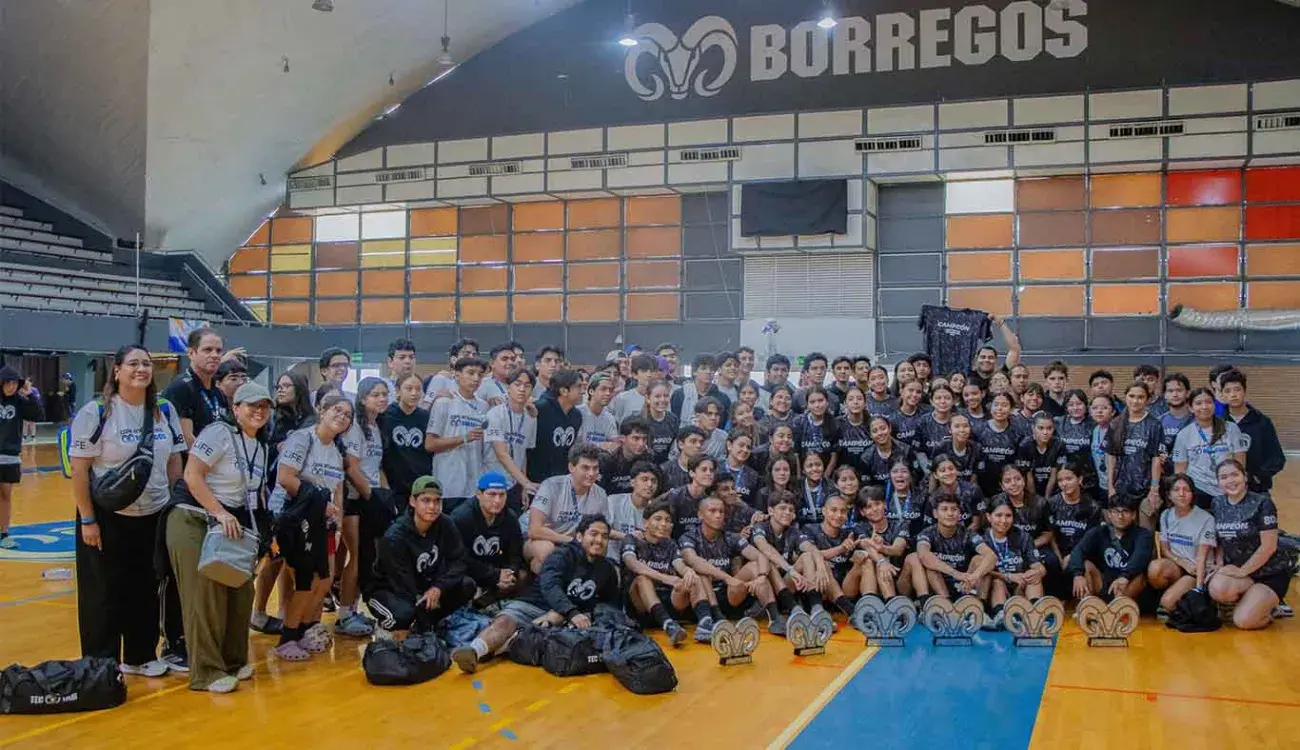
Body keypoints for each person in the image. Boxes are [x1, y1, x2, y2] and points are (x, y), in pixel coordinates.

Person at [70, 345, 186, 677]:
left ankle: (140, 655)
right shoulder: (97, 412)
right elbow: (80, 470)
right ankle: (101, 665)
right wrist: (88, 519)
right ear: (117, 370)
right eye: (133, 363)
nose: (141, 369)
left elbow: (175, 458)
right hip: (106, 515)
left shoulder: (165, 409)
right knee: (103, 591)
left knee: (146, 586)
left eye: (146, 364)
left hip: (153, 514)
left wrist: (174, 502)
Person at [167, 381, 271, 692]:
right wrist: (219, 512)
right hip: (193, 516)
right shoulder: (218, 433)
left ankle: (233, 661)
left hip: (229, 523)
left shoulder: (261, 446)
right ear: (235, 408)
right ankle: (206, 672)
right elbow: (192, 475)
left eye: (264, 406)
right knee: (205, 593)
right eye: (251, 405)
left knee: (241, 588)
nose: (259, 411)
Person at [450, 515, 621, 674]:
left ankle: (508, 643)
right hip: (534, 604)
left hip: (564, 620)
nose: (599, 540)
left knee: (555, 617)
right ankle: (474, 651)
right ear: (579, 536)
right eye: (594, 534)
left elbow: (609, 604)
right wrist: (571, 611)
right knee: (505, 621)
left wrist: (587, 616)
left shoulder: (607, 570)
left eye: (604, 536)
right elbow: (550, 586)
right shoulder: (561, 555)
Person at [266, 392, 350, 661]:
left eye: (348, 414)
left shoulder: (336, 452)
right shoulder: (302, 438)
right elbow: (285, 477)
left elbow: (338, 493)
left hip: (321, 523)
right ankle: (287, 638)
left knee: (324, 580)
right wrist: (321, 503)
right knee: (305, 580)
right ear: (321, 411)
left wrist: (337, 526)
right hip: (293, 518)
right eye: (337, 410)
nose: (342, 417)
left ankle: (306, 629)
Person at [366, 476, 472, 638]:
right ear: (413, 502)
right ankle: (385, 631)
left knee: (467, 585)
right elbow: (402, 582)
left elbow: (459, 561)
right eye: (426, 500)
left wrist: (438, 588)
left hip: (425, 585)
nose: (432, 507)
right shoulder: (395, 537)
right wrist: (423, 605)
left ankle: (430, 623)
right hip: (389, 590)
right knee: (404, 615)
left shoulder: (445, 524)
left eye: (437, 501)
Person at [681, 497, 785, 635]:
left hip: (729, 595)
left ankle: (775, 617)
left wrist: (761, 576)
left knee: (755, 566)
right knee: (701, 572)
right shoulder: (689, 537)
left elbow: (760, 556)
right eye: (712, 511)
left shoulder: (730, 537)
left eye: (721, 511)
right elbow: (693, 560)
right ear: (700, 515)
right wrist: (727, 578)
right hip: (701, 598)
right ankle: (714, 618)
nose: (718, 515)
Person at [1207, 459, 1290, 629]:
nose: (1230, 481)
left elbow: (1269, 547)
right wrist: (1220, 563)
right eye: (1224, 477)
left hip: (1269, 573)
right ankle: (1252, 602)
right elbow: (1220, 540)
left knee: (1244, 621)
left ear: (1244, 477)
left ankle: (1269, 608)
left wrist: (1242, 571)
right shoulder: (1217, 503)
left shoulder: (1262, 502)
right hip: (1240, 573)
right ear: (1218, 482)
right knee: (1217, 588)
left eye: (1235, 475)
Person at [335, 377, 388, 637]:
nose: (382, 399)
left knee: (365, 558)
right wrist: (372, 497)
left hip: (370, 495)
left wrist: (383, 494)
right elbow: (352, 467)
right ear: (363, 398)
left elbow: (375, 466)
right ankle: (344, 615)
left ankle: (352, 609)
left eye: (384, 394)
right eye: (376, 395)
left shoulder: (375, 426)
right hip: (355, 499)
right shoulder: (355, 426)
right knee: (356, 557)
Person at [623, 501, 707, 646]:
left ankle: (706, 624)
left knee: (693, 577)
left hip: (668, 602)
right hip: (640, 606)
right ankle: (669, 625)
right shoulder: (632, 539)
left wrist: (688, 571)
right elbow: (632, 563)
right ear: (646, 522)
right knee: (643, 579)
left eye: (667, 520)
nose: (663, 524)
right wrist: (664, 578)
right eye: (658, 519)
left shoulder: (670, 544)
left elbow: (679, 565)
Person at [524, 443, 608, 574]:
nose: (591, 473)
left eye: (595, 468)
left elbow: (602, 530)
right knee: (547, 550)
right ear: (571, 467)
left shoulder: (601, 494)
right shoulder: (551, 485)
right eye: (585, 468)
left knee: (600, 546)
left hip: (571, 542)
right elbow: (534, 530)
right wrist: (573, 541)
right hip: (538, 538)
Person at [424, 357, 488, 513]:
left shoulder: (484, 406)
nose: (476, 378)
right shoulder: (444, 402)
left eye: (480, 374)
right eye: (470, 373)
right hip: (448, 483)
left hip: (474, 485)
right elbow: (430, 444)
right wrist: (463, 438)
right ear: (457, 375)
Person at [452, 472, 526, 606]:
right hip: (470, 570)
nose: (497, 500)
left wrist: (509, 573)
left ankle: (485, 602)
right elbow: (458, 558)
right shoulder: (462, 517)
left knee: (521, 576)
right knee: (465, 583)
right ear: (479, 494)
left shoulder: (510, 517)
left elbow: (515, 554)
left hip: (495, 569)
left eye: (502, 495)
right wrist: (495, 574)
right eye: (492, 494)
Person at [1147, 474, 1215, 615]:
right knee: (1155, 569)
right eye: (1176, 489)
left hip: (1197, 571)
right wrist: (1184, 564)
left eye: (1186, 490)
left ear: (1192, 494)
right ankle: (1176, 593)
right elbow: (1165, 550)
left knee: (1167, 603)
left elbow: (1202, 557)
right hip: (1179, 566)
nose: (1181, 494)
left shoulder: (1206, 519)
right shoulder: (1166, 515)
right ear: (1169, 495)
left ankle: (1192, 595)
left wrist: (1199, 589)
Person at [1172, 387, 1248, 509]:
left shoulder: (1231, 428)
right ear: (1190, 408)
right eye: (1198, 403)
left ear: (1214, 405)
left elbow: (1240, 461)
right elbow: (1180, 471)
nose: (1204, 407)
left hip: (1229, 487)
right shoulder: (1184, 434)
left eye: (1208, 402)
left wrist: (1239, 485)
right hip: (1199, 489)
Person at [1067, 496, 1153, 602]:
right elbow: (1078, 550)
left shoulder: (1143, 535)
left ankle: (1119, 606)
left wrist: (1125, 576)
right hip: (1103, 582)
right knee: (1085, 564)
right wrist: (1078, 575)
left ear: (1133, 515)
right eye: (1116, 511)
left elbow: (1140, 558)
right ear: (1109, 514)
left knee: (1139, 576)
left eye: (1125, 511)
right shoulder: (1098, 532)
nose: (1120, 516)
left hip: (1129, 583)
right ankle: (1088, 604)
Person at [980, 496, 1046, 629]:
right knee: (997, 582)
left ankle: (1034, 615)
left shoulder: (1023, 536)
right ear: (988, 517)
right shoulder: (981, 539)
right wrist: (1007, 576)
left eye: (1008, 516)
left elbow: (1039, 565)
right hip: (996, 589)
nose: (1003, 521)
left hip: (1020, 586)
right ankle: (1001, 615)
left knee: (1034, 578)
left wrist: (1037, 572)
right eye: (998, 515)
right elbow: (978, 571)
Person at [1106, 382, 1165, 528]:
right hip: (1121, 489)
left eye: (1140, 397)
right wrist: (1110, 487)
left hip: (1145, 489)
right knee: (1122, 531)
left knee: (1145, 532)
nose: (1135, 400)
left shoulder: (1154, 425)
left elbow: (1156, 458)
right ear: (1125, 397)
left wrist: (1154, 489)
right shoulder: (1115, 423)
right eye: (1131, 396)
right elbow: (1111, 457)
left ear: (1147, 400)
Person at [916, 495, 998, 602]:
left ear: (959, 513)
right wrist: (956, 574)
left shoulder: (968, 534)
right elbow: (923, 555)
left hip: (964, 584)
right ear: (935, 513)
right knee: (925, 562)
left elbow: (991, 556)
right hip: (938, 584)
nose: (950, 513)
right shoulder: (927, 533)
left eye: (954, 509)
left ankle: (977, 606)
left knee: (980, 560)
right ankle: (946, 605)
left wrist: (974, 576)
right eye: (944, 509)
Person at [792, 494, 862, 617]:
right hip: (810, 588)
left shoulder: (849, 534)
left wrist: (861, 553)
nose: (839, 515)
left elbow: (863, 545)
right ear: (824, 511)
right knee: (814, 559)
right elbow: (810, 554)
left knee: (865, 562)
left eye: (843, 511)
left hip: (837, 590)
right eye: (833, 510)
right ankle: (845, 610)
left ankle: (872, 604)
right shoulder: (809, 529)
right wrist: (841, 548)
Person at [1220, 370, 1287, 495]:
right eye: (1227, 391)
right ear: (1222, 395)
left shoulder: (1262, 422)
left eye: (1237, 390)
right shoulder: (1218, 423)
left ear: (1244, 391)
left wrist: (1258, 476)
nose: (1233, 395)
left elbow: (1276, 458)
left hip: (1256, 490)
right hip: (1224, 490)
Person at [483, 368, 538, 513]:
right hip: (492, 482)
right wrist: (526, 483)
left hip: (514, 484)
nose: (522, 389)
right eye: (517, 384)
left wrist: (523, 486)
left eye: (527, 386)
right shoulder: (495, 414)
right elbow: (501, 454)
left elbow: (523, 453)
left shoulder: (531, 418)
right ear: (508, 388)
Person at [0, 368, 42, 548]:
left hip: (9, 456)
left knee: (5, 496)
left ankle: (4, 533)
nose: (11, 387)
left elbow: (37, 415)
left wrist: (30, 393)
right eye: (8, 383)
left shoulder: (20, 401)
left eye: (14, 383)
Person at [1044, 463, 1100, 594]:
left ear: (1079, 479)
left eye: (1069, 479)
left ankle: (1087, 603)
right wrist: (1059, 557)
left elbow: (1090, 540)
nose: (1064, 484)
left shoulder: (1092, 506)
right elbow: (1050, 535)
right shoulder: (1051, 504)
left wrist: (1072, 557)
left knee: (1084, 566)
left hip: (1082, 553)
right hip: (1056, 552)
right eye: (1060, 480)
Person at [851, 486, 916, 599]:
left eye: (877, 504)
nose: (874, 509)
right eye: (868, 507)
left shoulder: (900, 524)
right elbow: (866, 546)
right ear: (862, 512)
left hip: (899, 579)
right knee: (870, 561)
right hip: (873, 582)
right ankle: (882, 603)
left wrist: (882, 548)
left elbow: (898, 549)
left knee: (914, 557)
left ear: (885, 505)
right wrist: (882, 561)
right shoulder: (859, 527)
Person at [379, 373, 433, 507]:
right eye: (409, 388)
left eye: (418, 389)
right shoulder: (385, 415)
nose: (414, 393)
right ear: (398, 391)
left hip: (420, 483)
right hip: (394, 484)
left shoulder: (425, 416)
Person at [528, 369, 584, 483]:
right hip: (535, 480)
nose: (583, 391)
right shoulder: (539, 410)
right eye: (578, 387)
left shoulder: (577, 416)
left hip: (562, 480)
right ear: (564, 391)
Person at [975, 393, 1026, 497]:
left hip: (1009, 488)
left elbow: (1020, 465)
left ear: (1011, 409)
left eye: (1004, 405)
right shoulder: (979, 430)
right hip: (982, 486)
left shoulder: (1018, 433)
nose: (999, 408)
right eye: (996, 404)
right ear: (990, 407)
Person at [605, 461, 660, 557]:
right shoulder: (613, 501)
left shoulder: (658, 510)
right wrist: (628, 537)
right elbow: (603, 530)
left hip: (642, 560)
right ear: (632, 482)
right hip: (613, 559)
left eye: (654, 481)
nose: (650, 484)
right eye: (644, 479)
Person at [928, 454, 986, 532]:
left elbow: (977, 523)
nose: (948, 473)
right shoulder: (933, 497)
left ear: (957, 470)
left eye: (951, 469)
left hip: (969, 534)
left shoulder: (973, 490)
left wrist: (961, 537)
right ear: (936, 475)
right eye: (942, 470)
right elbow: (932, 527)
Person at [664, 455, 716, 540]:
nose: (709, 473)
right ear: (692, 473)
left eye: (711, 470)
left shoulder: (708, 501)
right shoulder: (675, 496)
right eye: (704, 470)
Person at [1016, 413, 1065, 499]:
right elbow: (1028, 476)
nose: (1045, 432)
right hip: (1031, 489)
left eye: (1049, 428)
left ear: (1053, 428)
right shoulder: (1025, 445)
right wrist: (1035, 500)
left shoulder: (1058, 444)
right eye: (1041, 428)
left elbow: (1054, 475)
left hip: (1053, 490)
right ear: (1033, 428)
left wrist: (1047, 499)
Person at [599, 418, 651, 496]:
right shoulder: (607, 461)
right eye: (636, 438)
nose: (641, 444)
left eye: (644, 439)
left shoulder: (648, 460)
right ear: (622, 438)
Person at [421, 339, 479, 408]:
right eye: (466, 354)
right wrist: (436, 398)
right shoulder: (441, 379)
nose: (471, 357)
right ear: (454, 360)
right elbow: (424, 408)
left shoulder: (479, 383)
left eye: (474, 355)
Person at [794, 385, 840, 469]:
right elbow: (796, 453)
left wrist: (826, 475)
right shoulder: (798, 422)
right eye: (812, 402)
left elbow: (834, 455)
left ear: (827, 402)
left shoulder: (835, 423)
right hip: (805, 470)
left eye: (820, 400)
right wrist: (799, 475)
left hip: (827, 470)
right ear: (807, 404)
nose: (817, 405)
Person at [1156, 373, 1193, 474]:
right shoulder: (1158, 422)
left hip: (1193, 475)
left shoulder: (1197, 420)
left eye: (1179, 390)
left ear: (1188, 393)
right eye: (1170, 391)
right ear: (1164, 395)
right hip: (1166, 476)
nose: (1175, 394)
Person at [862, 415, 913, 488]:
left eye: (883, 428)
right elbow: (867, 485)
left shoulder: (905, 450)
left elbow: (915, 477)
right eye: (875, 431)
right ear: (870, 435)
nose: (880, 433)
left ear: (890, 428)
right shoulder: (866, 457)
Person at [671, 354, 726, 420]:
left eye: (712, 369)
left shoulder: (722, 398)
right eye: (703, 368)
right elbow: (674, 419)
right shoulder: (680, 394)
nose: (708, 372)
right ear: (694, 372)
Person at [835, 386, 873, 481]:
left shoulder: (873, 424)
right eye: (851, 399)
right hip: (844, 478)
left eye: (859, 399)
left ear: (865, 403)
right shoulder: (837, 424)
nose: (855, 402)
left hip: (869, 477)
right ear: (845, 403)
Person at [611, 353, 658, 424]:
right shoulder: (623, 398)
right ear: (634, 374)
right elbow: (617, 423)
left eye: (652, 371)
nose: (649, 375)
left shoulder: (663, 398)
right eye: (644, 371)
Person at [577, 373, 618, 451]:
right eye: (603, 389)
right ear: (591, 391)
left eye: (611, 390)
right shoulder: (578, 413)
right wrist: (601, 445)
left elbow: (613, 444)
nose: (608, 393)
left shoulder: (610, 418)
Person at [641, 379, 679, 464]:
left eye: (666, 396)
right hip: (644, 465)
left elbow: (675, 447)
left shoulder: (673, 419)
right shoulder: (640, 420)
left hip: (667, 465)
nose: (662, 400)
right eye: (657, 396)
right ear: (648, 398)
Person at [720, 429, 761, 507]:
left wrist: (741, 504)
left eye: (748, 447)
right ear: (729, 445)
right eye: (741, 445)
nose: (745, 450)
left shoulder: (754, 476)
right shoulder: (715, 468)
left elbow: (755, 508)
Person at [661, 425, 707, 490]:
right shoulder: (665, 470)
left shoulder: (708, 471)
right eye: (693, 441)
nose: (698, 445)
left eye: (701, 442)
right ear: (681, 444)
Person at [795, 451, 833, 526]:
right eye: (809, 466)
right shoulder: (796, 488)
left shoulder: (832, 488)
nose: (814, 469)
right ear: (803, 470)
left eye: (818, 465)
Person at [382, 339, 418, 404]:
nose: (408, 361)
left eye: (411, 357)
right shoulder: (381, 387)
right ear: (390, 362)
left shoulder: (421, 389)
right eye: (402, 357)